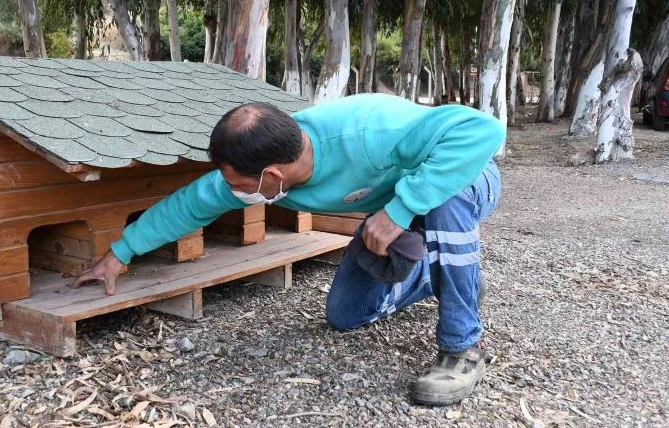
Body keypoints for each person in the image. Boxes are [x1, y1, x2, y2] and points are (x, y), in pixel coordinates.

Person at [72, 93, 504, 406]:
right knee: (346, 314)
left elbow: (481, 131)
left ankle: (461, 348)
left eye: (240, 185)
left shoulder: (372, 133)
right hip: (400, 211)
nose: (232, 192)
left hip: (466, 175)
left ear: (272, 176)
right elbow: (188, 206)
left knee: (449, 201)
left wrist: (399, 210)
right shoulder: (257, 171)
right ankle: (448, 280)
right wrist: (120, 254)